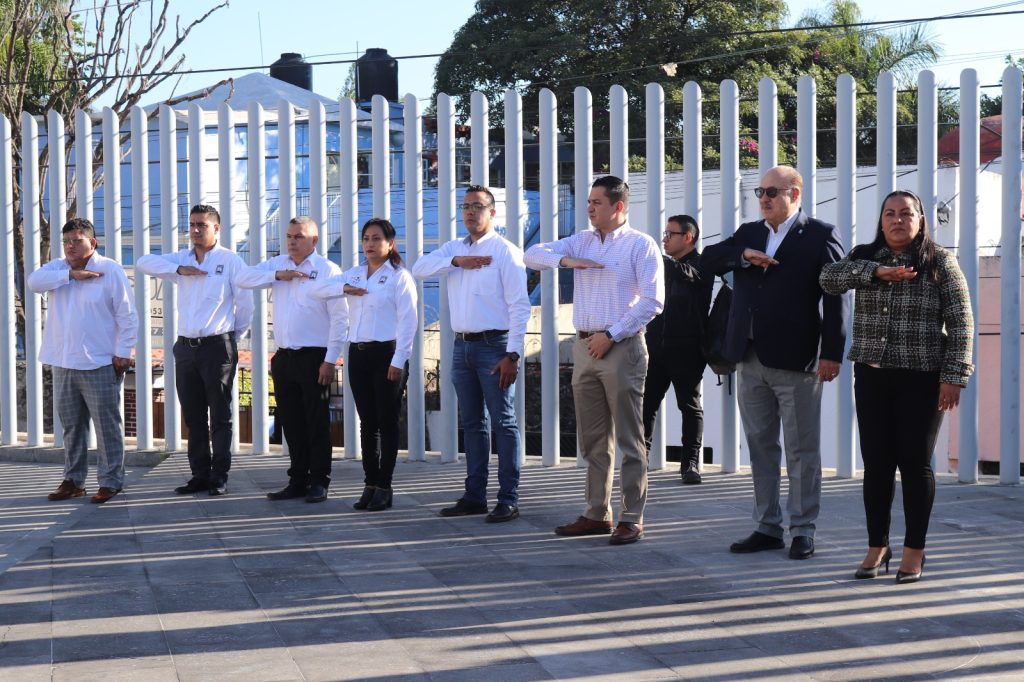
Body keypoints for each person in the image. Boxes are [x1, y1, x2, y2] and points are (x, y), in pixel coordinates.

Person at [820, 190, 974, 584]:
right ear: (881, 220)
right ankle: (878, 545)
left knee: (915, 464)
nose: (897, 220)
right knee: (876, 465)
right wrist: (874, 273)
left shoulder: (939, 261)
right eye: (889, 213)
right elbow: (828, 278)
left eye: (906, 213)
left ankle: (914, 550)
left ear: (922, 219)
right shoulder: (865, 254)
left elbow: (961, 322)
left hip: (922, 378)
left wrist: (954, 376)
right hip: (872, 376)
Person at [701, 165, 847, 560]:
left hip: (797, 360)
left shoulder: (820, 234)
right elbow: (707, 260)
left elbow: (836, 296)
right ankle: (767, 526)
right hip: (749, 358)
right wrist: (743, 257)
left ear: (795, 195)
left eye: (772, 191)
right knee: (761, 447)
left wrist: (832, 352)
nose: (764, 198)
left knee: (802, 450)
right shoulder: (749, 233)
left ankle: (803, 529)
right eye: (760, 191)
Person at [525, 175, 664, 545]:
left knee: (631, 439)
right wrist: (567, 259)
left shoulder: (641, 245)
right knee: (592, 439)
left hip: (621, 346)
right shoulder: (582, 240)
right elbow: (532, 254)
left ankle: (631, 517)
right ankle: (596, 513)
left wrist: (612, 335)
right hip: (585, 347)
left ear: (618, 206)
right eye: (589, 202)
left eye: (596, 203)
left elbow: (653, 302)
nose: (589, 208)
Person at [411, 185, 530, 523]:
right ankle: (475, 495)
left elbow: (520, 307)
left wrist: (513, 354)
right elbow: (419, 268)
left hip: (496, 346)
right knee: (472, 423)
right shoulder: (453, 249)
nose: (470, 212)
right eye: (465, 206)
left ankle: (508, 498)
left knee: (504, 423)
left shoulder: (506, 252)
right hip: (461, 345)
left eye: (477, 206)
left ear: (492, 212)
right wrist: (456, 261)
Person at [136, 204, 253, 496]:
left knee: (221, 415)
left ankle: (219, 475)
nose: (196, 230)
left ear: (217, 228)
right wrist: (178, 269)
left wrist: (230, 339)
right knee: (193, 414)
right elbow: (143, 262)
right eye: (192, 225)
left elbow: (246, 306)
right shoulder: (181, 259)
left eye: (202, 224)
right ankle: (199, 474)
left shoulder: (230, 261)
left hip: (217, 346)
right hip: (185, 348)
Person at [235, 216, 347, 503]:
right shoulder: (278, 265)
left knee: (316, 422)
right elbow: (242, 278)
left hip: (315, 357)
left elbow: (340, 319)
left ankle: (319, 480)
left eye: (298, 236)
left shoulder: (328, 270)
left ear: (314, 240)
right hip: (284, 357)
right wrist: (277, 276)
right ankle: (297, 480)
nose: (292, 242)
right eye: (289, 236)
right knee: (291, 422)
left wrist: (331, 359)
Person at [28, 217, 137, 504]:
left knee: (106, 426)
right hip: (63, 361)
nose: (70, 246)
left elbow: (127, 313)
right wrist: (70, 276)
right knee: (72, 426)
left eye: (77, 240)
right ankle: (73, 481)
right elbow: (33, 282)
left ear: (93, 242)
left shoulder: (110, 269)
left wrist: (124, 352)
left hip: (100, 361)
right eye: (66, 241)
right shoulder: (58, 268)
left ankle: (111, 481)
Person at [312, 218, 417, 512]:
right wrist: (344, 288)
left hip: (387, 354)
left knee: (387, 421)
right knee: (367, 424)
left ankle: (385, 485)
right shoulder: (356, 275)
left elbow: (409, 322)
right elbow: (318, 289)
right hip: (357, 355)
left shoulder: (399, 276)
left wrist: (399, 360)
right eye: (366, 239)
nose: (369, 245)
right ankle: (370, 483)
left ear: (390, 244)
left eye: (376, 239)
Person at [641, 215, 713, 484]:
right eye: (664, 233)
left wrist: (657, 258)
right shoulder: (662, 267)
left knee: (690, 406)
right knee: (647, 404)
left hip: (688, 348)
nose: (665, 238)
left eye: (670, 234)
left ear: (688, 237)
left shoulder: (702, 263)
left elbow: (688, 275)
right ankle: (641, 459)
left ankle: (690, 464)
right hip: (656, 346)